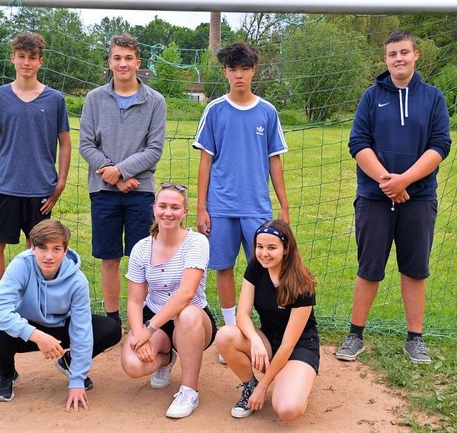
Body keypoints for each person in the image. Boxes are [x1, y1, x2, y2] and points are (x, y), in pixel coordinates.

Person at [335, 30, 452, 364]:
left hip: (419, 198)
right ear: (385, 60)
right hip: (374, 196)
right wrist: (387, 181)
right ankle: (355, 335)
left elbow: (440, 145)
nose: (398, 59)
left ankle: (415, 339)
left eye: (404, 52)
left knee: (415, 269)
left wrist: (405, 182)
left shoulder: (433, 98)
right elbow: (358, 143)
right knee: (369, 267)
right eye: (392, 54)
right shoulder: (372, 97)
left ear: (416, 55)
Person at [0, 32, 71, 333]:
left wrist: (60, 183)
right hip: (5, 187)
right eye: (21, 56)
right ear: (13, 59)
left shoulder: (55, 99)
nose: (26, 62)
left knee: (41, 250)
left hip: (41, 190)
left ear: (40, 61)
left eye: (32, 57)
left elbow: (65, 142)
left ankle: (39, 309)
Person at [193, 42, 289, 346]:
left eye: (244, 69)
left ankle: (266, 328)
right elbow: (205, 160)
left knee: (264, 268)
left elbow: (275, 159)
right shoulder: (215, 110)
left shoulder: (267, 111)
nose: (239, 75)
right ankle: (232, 330)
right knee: (223, 267)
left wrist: (283, 206)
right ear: (225, 72)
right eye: (233, 69)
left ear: (253, 70)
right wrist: (201, 207)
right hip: (220, 206)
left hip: (256, 207)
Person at [0, 219, 122, 410]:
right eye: (43, 248)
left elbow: (81, 328)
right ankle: (7, 373)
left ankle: (69, 363)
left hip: (60, 329)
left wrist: (77, 380)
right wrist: (37, 336)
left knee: (110, 328)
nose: (49, 256)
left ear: (65, 251)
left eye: (56, 249)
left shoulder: (77, 280)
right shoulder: (21, 265)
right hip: (27, 330)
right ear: (33, 248)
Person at [79, 33, 166, 327]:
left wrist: (124, 172)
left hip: (140, 192)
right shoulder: (94, 98)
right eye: (117, 57)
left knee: (143, 258)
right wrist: (114, 177)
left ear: (138, 63)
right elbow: (86, 145)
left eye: (128, 58)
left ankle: (144, 318)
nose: (123, 63)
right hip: (103, 191)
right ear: (110, 62)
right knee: (109, 257)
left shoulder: (155, 101)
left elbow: (154, 149)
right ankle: (113, 320)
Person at [121, 182, 217, 419]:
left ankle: (189, 390)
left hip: (193, 320)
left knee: (188, 313)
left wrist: (149, 329)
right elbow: (134, 301)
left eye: (175, 207)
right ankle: (166, 358)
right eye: (163, 206)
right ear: (154, 209)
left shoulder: (197, 242)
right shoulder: (141, 248)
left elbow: (186, 294)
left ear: (185, 212)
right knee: (133, 365)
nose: (168, 212)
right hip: (155, 317)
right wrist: (139, 334)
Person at [215, 219, 319, 421]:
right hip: (268, 342)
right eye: (259, 246)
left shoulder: (303, 284)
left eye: (272, 247)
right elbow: (242, 314)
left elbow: (288, 345)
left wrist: (265, 387)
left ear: (286, 248)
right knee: (225, 335)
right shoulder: (256, 267)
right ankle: (249, 385)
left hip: (299, 347)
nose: (264, 253)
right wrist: (255, 340)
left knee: (288, 410)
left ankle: (292, 378)